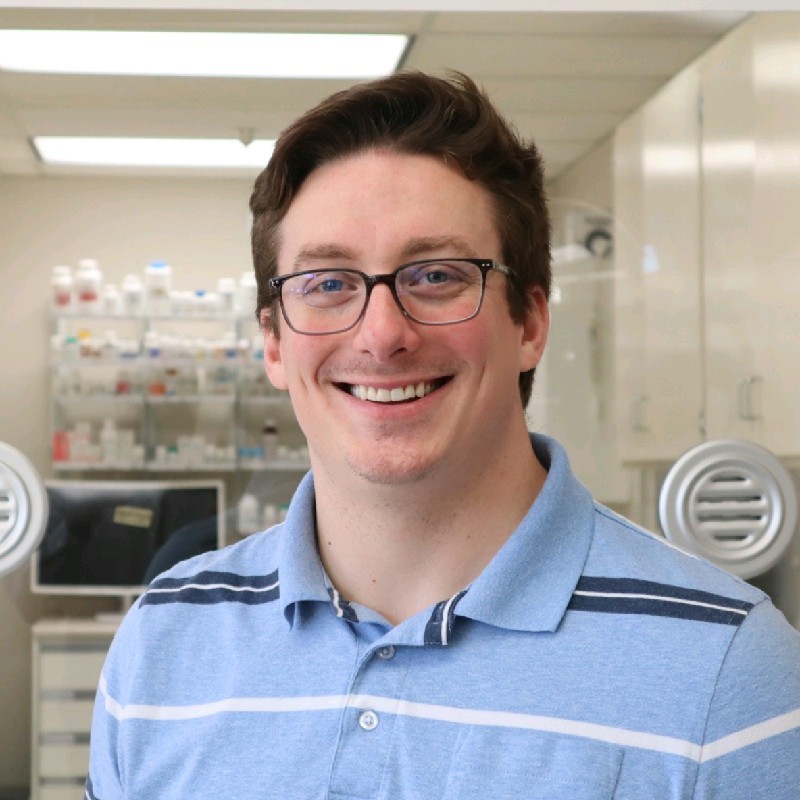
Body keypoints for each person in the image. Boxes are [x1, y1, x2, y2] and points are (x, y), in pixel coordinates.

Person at [86, 71, 800, 799]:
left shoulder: (729, 673)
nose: (383, 334)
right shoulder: (163, 645)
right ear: (273, 342)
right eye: (328, 283)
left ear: (529, 322)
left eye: (436, 275)